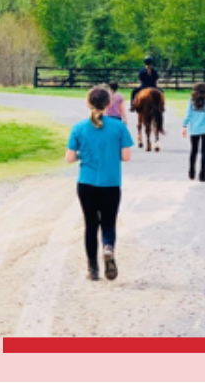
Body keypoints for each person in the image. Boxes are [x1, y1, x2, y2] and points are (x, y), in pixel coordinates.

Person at [66, 86, 134, 281]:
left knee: (90, 224)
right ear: (109, 103)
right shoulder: (119, 126)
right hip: (111, 183)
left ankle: (92, 269)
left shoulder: (78, 127)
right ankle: (108, 248)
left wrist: (83, 154)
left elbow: (69, 158)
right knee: (109, 223)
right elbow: (126, 156)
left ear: (88, 103)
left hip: (86, 183)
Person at [182, 82, 205, 182]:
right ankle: (203, 175)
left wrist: (184, 125)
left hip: (194, 130)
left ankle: (191, 172)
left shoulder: (191, 101)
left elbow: (188, 114)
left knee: (194, 150)